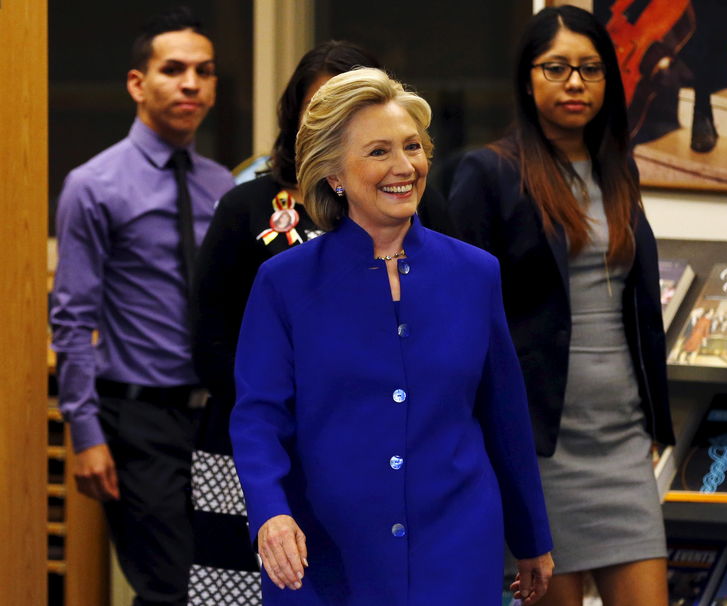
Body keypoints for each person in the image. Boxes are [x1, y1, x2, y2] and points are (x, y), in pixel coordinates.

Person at [229, 67, 554, 606]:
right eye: (379, 152)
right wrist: (270, 512)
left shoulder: (476, 273)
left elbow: (505, 417)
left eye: (413, 147)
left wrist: (531, 539)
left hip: (456, 548)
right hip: (325, 550)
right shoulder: (284, 282)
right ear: (334, 173)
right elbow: (258, 416)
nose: (405, 167)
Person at [446, 6, 675, 606]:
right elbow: (458, 315)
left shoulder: (619, 169)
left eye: (591, 69)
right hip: (538, 446)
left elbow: (636, 304)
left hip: (622, 442)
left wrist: (654, 417)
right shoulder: (490, 173)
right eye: (557, 68)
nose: (575, 83)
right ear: (528, 78)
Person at [50, 7, 234, 605]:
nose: (191, 84)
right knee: (169, 589)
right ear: (137, 83)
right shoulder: (94, 184)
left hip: (214, 419)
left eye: (204, 72)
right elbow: (74, 317)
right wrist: (85, 432)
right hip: (138, 420)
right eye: (174, 69)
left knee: (221, 585)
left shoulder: (221, 186)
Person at [187, 40, 380, 605]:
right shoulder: (246, 207)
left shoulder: (405, 204)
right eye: (320, 104)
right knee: (237, 592)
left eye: (353, 107)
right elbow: (211, 341)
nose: (333, 121)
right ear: (295, 113)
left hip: (366, 448)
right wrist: (277, 412)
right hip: (249, 444)